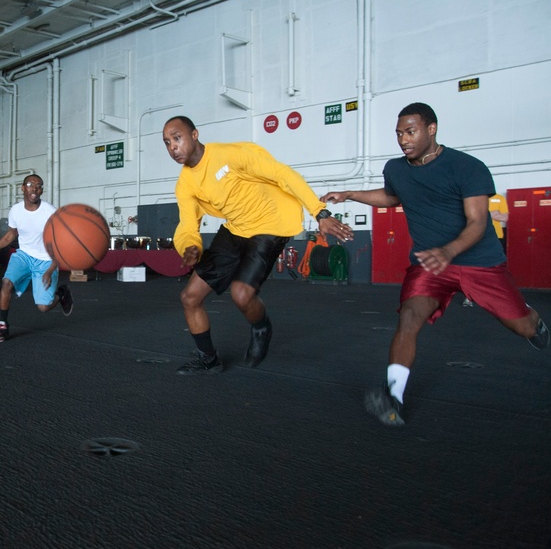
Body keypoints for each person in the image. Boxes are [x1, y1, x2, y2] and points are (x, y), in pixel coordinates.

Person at [321, 102, 548, 426]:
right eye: (399, 133)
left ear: (431, 129)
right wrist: (350, 194)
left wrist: (448, 251)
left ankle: (531, 317)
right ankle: (394, 397)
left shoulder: (467, 167)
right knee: (410, 318)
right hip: (429, 264)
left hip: (479, 263)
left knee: (522, 326)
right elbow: (392, 197)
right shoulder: (396, 169)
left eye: (410, 131)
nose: (403, 139)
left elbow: (477, 221)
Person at [163, 115, 353, 375]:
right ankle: (208, 359)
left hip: (270, 225)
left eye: (177, 138)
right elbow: (187, 224)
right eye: (167, 143)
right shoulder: (185, 184)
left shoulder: (231, 154)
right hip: (236, 229)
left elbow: (282, 173)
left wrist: (318, 212)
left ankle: (261, 327)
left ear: (194, 135)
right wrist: (189, 247)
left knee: (241, 294)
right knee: (189, 297)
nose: (173, 147)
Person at [0, 174, 74, 343]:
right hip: (24, 255)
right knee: (6, 283)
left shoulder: (51, 213)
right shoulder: (16, 210)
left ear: (41, 190)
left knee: (43, 307)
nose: (34, 188)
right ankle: (2, 325)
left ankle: (61, 294)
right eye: (30, 184)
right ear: (23, 188)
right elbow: (11, 235)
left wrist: (50, 270)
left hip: (46, 260)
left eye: (39, 186)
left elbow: (61, 245)